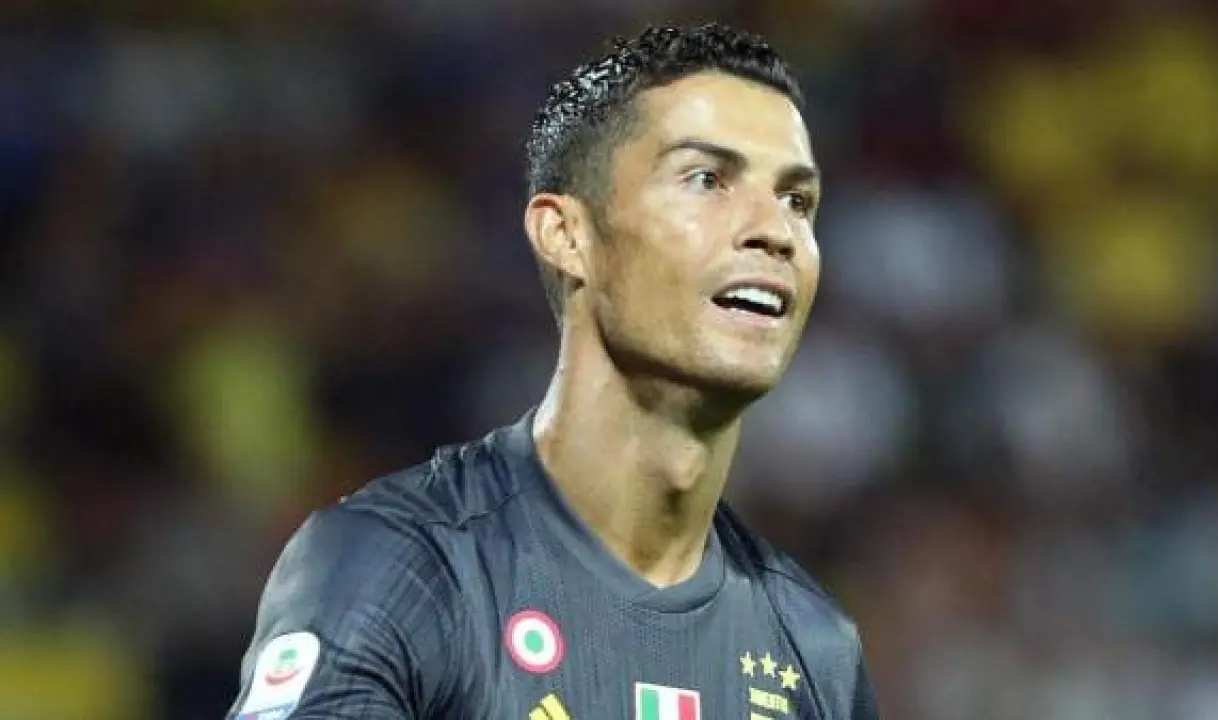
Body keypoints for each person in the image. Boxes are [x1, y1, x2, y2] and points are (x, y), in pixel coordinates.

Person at [227, 22, 879, 719]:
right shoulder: (402, 565)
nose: (775, 231)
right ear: (566, 234)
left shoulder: (814, 651)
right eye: (706, 180)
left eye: (797, 200)